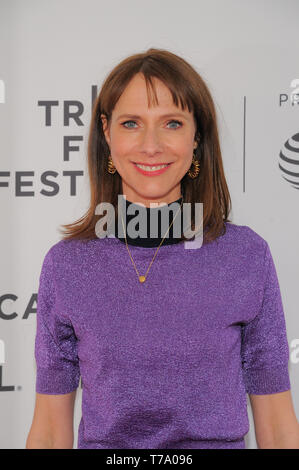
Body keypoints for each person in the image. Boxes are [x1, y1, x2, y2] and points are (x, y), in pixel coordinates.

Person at [26, 48, 299, 449]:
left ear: (196, 136)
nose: (150, 145)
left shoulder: (245, 256)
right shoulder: (66, 266)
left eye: (172, 123)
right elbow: (49, 432)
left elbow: (277, 426)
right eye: (132, 123)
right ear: (106, 132)